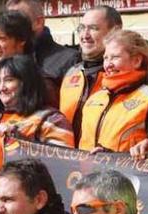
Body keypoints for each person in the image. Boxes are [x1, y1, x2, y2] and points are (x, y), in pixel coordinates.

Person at [77, 30, 148, 157]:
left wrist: (111, 156)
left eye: (115, 57)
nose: (108, 65)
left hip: (131, 176)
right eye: (106, 58)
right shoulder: (95, 98)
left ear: (136, 61)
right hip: (87, 175)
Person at [0, 55, 75, 147]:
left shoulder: (51, 120)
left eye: (9, 80)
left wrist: (18, 140)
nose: (1, 88)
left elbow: (62, 164)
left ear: (26, 83)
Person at [60, 6, 122, 141]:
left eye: (93, 28)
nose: (85, 35)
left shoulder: (127, 76)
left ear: (115, 31)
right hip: (66, 160)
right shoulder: (71, 73)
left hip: (108, 160)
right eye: (82, 28)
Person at [6, 0, 80, 101]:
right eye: (7, 21)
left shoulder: (69, 59)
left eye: (17, 20)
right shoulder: (6, 59)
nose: (11, 27)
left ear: (38, 22)